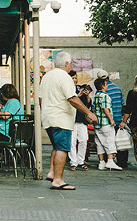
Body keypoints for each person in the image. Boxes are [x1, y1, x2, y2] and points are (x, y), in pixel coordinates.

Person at [39, 52, 97, 191]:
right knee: (62, 148)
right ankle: (58, 180)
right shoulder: (64, 77)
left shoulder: (47, 76)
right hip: (61, 117)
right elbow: (72, 98)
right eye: (70, 63)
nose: (71, 65)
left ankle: (52, 173)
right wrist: (88, 112)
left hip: (48, 117)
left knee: (56, 146)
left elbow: (41, 99)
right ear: (66, 64)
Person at [92, 78, 122, 170]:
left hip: (97, 124)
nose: (107, 86)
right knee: (109, 141)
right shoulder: (106, 96)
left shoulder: (96, 95)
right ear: (103, 86)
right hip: (105, 123)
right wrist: (111, 119)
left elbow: (94, 109)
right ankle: (110, 161)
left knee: (99, 143)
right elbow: (106, 109)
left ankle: (101, 162)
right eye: (106, 84)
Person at [98, 70, 126, 168]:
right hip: (118, 118)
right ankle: (122, 162)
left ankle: (108, 160)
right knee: (120, 142)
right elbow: (122, 104)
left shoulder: (101, 91)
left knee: (107, 142)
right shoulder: (117, 89)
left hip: (108, 121)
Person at [69, 72, 91, 171]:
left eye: (75, 78)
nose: (75, 80)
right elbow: (70, 102)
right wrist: (77, 96)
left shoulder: (79, 88)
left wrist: (86, 95)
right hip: (71, 119)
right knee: (72, 142)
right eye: (73, 78)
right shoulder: (68, 89)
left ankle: (80, 161)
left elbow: (87, 104)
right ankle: (73, 162)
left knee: (83, 140)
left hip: (81, 119)